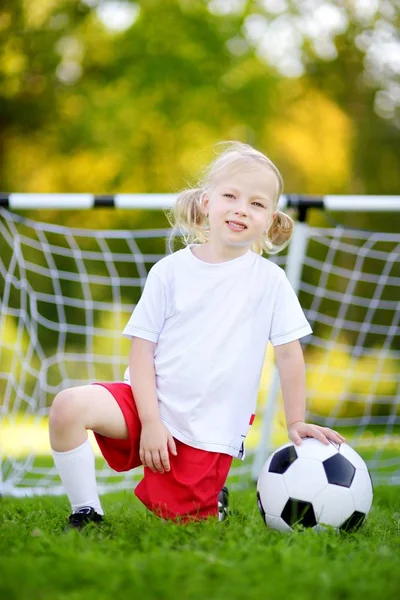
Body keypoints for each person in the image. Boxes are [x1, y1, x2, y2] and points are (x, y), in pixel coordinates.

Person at [49, 141, 345, 529]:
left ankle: (212, 498)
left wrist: (295, 422)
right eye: (231, 195)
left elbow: (289, 355)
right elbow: (141, 352)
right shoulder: (169, 272)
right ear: (207, 202)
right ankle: (86, 513)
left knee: (187, 525)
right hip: (145, 404)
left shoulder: (270, 281)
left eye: (257, 204)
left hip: (206, 430)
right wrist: (151, 422)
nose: (241, 208)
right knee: (67, 406)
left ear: (271, 219)